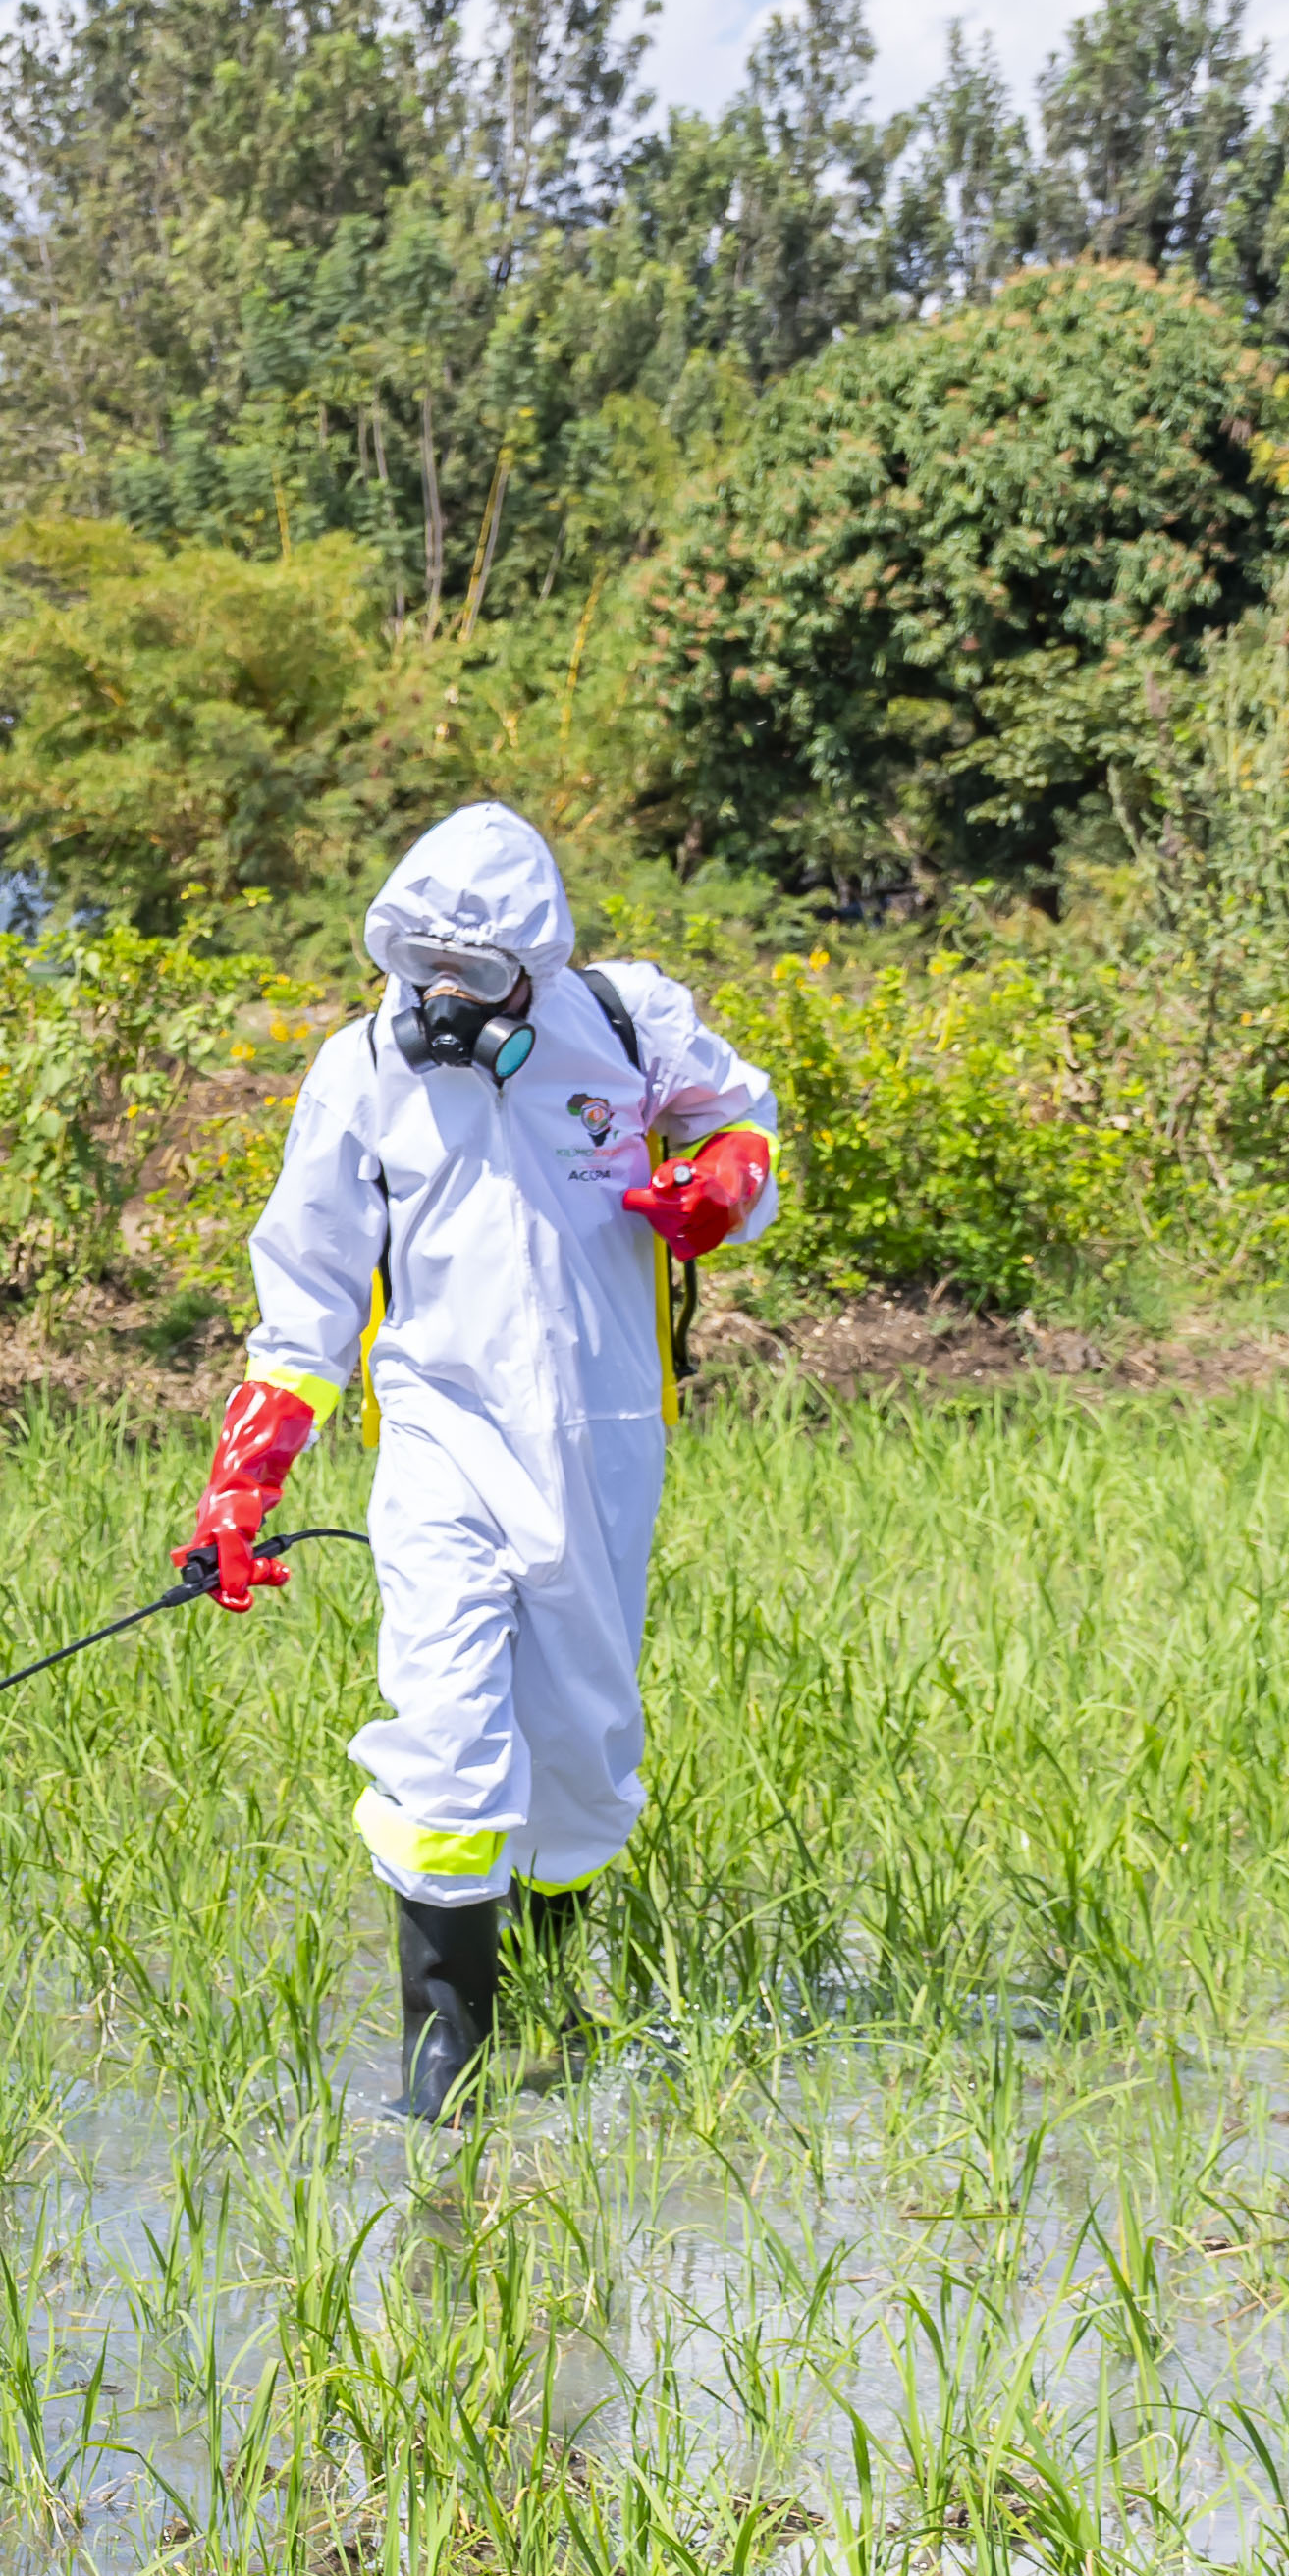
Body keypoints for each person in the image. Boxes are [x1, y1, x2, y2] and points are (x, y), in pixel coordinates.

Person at [180, 801, 776, 2122]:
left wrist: (725, 1184)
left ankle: (556, 2002)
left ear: (536, 965)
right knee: (446, 1735)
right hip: (439, 1441)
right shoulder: (358, 1071)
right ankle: (442, 2052)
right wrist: (242, 1487)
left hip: (606, 1439)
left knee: (582, 1743)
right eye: (421, 972)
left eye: (476, 977)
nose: (445, 1002)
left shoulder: (627, 1025)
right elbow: (308, 1301)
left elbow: (745, 1118)